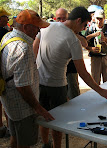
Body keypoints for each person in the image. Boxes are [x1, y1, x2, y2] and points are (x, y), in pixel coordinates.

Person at [35, 7, 107, 148]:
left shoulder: (48, 26)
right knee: (56, 122)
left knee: (43, 115)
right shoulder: (72, 40)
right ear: (78, 21)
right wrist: (101, 91)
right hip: (57, 86)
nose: (83, 29)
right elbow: (83, 72)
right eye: (84, 25)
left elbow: (35, 48)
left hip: (40, 82)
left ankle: (46, 143)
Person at [0, 9, 54, 147]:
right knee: (24, 143)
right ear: (25, 27)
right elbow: (22, 86)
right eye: (37, 27)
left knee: (15, 137)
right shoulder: (23, 48)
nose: (39, 31)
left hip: (9, 102)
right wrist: (38, 108)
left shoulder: (7, 36)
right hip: (23, 109)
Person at [85, 9, 107, 85]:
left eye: (101, 18)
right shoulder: (90, 30)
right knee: (95, 81)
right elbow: (84, 43)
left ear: (104, 18)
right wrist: (91, 49)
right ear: (94, 18)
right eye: (97, 18)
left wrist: (105, 39)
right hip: (95, 58)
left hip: (106, 57)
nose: (99, 21)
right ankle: (96, 97)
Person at [0, 6, 11, 138]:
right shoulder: (3, 32)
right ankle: (9, 127)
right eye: (5, 17)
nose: (7, 19)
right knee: (6, 100)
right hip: (3, 73)